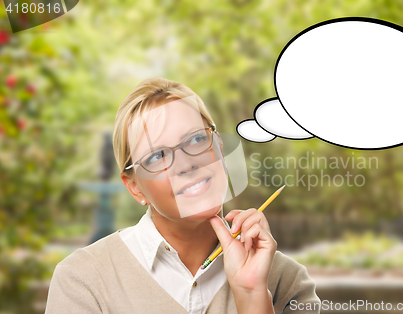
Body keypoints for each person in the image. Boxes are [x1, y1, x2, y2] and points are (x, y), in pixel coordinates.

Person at [45, 78, 320, 314]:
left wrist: (252, 298)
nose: (187, 163)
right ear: (135, 187)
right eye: (157, 156)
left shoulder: (287, 281)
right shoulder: (83, 280)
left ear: (219, 149)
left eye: (197, 139)